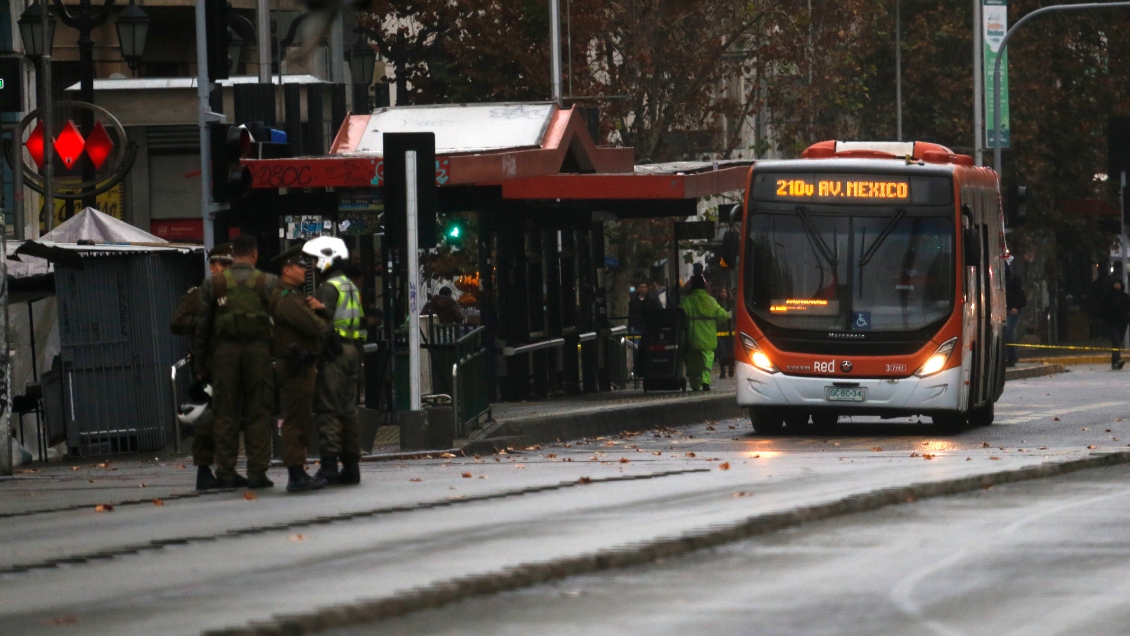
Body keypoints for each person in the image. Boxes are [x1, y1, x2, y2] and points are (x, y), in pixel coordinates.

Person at [193, 235, 278, 489]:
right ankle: (257, 472)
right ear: (254, 254)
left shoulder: (214, 284)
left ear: (233, 254)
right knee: (259, 413)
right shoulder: (268, 281)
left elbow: (203, 327)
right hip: (259, 354)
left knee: (225, 415)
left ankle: (226, 473)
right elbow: (282, 320)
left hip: (224, 355)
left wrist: (200, 364)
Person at [170, 243, 232, 490]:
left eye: (229, 265)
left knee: (229, 419)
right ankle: (204, 470)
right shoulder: (200, 293)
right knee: (209, 419)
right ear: (212, 266)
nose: (224, 269)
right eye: (220, 264)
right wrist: (205, 320)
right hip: (208, 366)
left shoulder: (237, 292)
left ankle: (226, 469)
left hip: (231, 363)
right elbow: (176, 323)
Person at [306, 237, 366, 485]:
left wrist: (316, 356)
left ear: (326, 258)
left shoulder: (328, 288)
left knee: (328, 409)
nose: (313, 266)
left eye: (314, 260)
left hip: (334, 352)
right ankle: (351, 467)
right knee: (348, 410)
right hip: (352, 350)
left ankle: (329, 466)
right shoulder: (349, 285)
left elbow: (321, 323)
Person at [270, 246, 329, 492]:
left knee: (301, 419)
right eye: (300, 266)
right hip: (295, 366)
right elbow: (313, 326)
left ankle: (298, 470)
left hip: (302, 364)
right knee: (296, 420)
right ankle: (295, 473)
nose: (306, 270)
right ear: (286, 269)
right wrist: (320, 313)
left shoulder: (291, 294)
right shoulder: (286, 297)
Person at [679, 275, 731, 391]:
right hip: (709, 338)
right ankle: (705, 381)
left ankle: (695, 385)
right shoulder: (711, 301)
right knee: (707, 360)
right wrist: (729, 315)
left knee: (693, 363)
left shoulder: (688, 300)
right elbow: (722, 315)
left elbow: (681, 313)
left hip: (693, 337)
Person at [1101, 278, 1130, 370]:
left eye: (1118, 283)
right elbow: (1102, 307)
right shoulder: (1108, 296)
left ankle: (1114, 362)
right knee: (1116, 341)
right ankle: (1117, 359)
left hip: (1122, 322)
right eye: (1115, 283)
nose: (1117, 285)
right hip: (1111, 322)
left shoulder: (1125, 296)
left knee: (1118, 342)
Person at [1004, 264, 1026, 367]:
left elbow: (1021, 295)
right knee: (1004, 332)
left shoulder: (1015, 279)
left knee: (1008, 331)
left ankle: (1012, 357)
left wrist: (1016, 307)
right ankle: (1007, 356)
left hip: (1013, 310)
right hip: (1003, 309)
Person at [715, 287, 736, 379]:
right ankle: (722, 371)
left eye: (725, 292)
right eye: (721, 292)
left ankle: (731, 368)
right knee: (721, 353)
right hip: (720, 331)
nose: (723, 294)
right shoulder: (716, 304)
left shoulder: (733, 303)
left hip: (730, 331)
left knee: (730, 352)